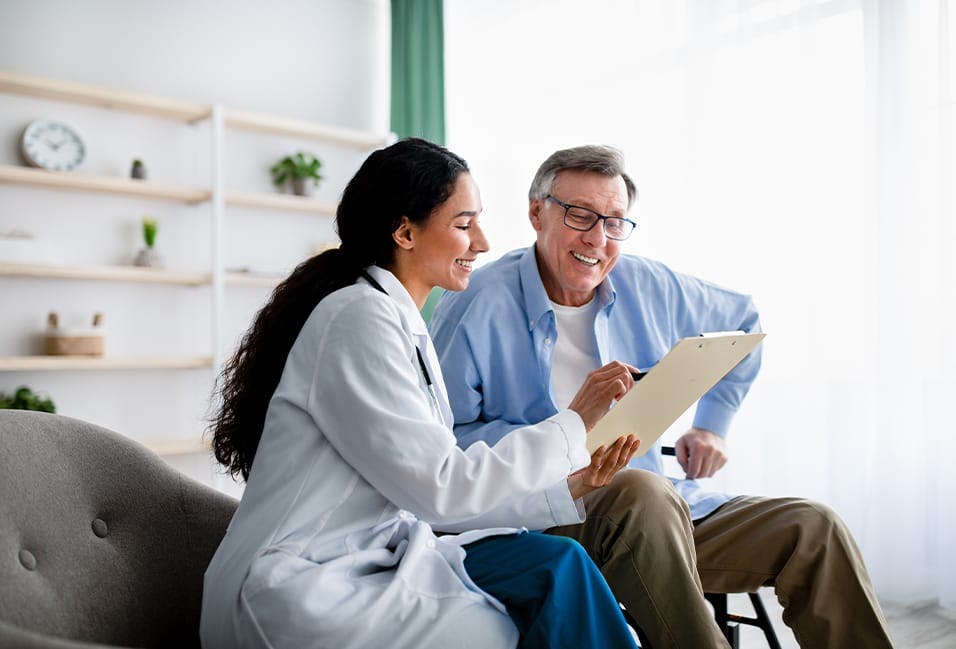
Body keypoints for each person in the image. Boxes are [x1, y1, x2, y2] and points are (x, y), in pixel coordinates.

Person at [430, 144, 896, 649]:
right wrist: (565, 431)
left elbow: (743, 322)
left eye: (614, 222)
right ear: (536, 212)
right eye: (580, 215)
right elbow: (445, 444)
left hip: (664, 512)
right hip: (548, 514)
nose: (597, 239)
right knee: (642, 492)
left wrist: (712, 423)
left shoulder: (649, 283)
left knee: (813, 528)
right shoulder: (475, 304)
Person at [200, 138, 643, 649]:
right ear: (405, 231)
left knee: (559, 564)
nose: (482, 242)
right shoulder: (357, 318)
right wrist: (574, 422)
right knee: (538, 595)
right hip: (297, 581)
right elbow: (441, 489)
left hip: (372, 555)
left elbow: (430, 498)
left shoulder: (397, 319)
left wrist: (566, 488)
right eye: (463, 224)